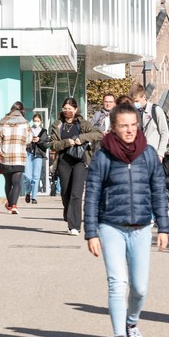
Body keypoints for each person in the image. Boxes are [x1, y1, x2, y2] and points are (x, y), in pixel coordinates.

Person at [84, 102, 169, 337]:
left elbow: (159, 192)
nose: (130, 130)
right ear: (114, 127)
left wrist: (163, 227)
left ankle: (132, 324)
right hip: (110, 226)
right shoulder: (103, 156)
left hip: (142, 227)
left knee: (140, 288)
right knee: (117, 284)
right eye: (124, 125)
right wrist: (91, 232)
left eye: (133, 125)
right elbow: (92, 195)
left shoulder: (148, 154)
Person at [50, 97, 103, 235]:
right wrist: (67, 142)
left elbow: (98, 134)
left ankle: (75, 226)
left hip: (80, 160)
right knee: (65, 193)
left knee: (76, 193)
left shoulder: (82, 123)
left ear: (75, 109)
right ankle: (69, 215)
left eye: (70, 109)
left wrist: (82, 138)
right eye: (65, 109)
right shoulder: (57, 125)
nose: (67, 111)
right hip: (63, 161)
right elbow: (53, 144)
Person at [0, 101, 30, 213]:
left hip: (5, 156)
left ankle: (10, 204)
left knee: (8, 182)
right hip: (19, 156)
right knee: (16, 182)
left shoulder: (3, 122)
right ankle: (13, 205)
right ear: (22, 111)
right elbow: (29, 140)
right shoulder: (25, 124)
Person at [23, 113, 49, 203]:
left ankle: (34, 197)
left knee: (36, 176)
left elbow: (46, 144)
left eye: (38, 121)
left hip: (38, 154)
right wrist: (29, 140)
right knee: (27, 175)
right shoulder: (29, 130)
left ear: (41, 121)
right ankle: (27, 192)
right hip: (29, 153)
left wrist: (39, 140)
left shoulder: (44, 131)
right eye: (35, 120)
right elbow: (23, 140)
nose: (36, 122)